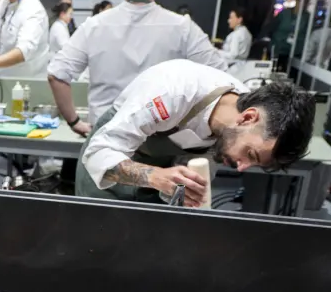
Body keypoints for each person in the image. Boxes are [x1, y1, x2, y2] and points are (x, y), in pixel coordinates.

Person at [75, 59, 315, 207]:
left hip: (162, 170)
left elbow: (190, 176)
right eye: (250, 154)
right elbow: (98, 154)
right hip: (110, 160)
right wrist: (154, 176)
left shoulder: (237, 121)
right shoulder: (173, 91)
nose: (242, 168)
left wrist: (185, 196)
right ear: (247, 118)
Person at [48, 0, 227, 136]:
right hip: (160, 139)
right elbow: (220, 75)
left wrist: (74, 122)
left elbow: (56, 74)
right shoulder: (183, 28)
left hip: (106, 136)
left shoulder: (93, 26)